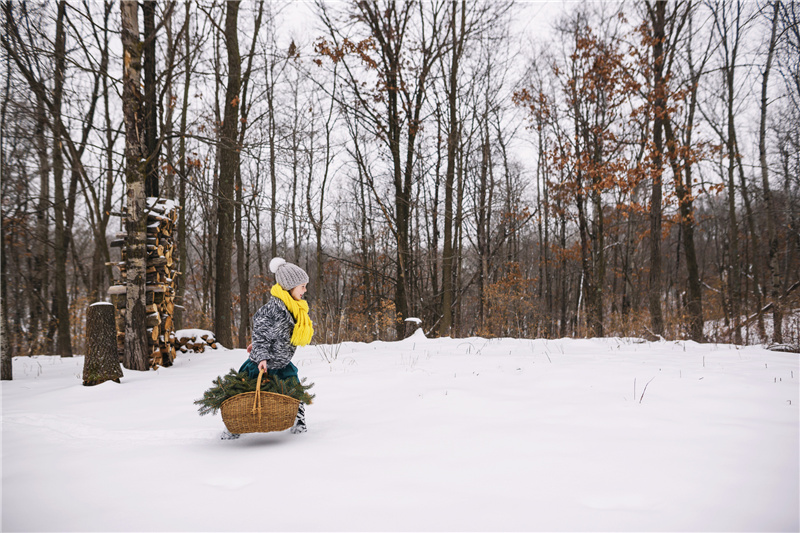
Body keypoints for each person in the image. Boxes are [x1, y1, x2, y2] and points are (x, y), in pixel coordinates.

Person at [221, 257, 314, 439]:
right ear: (290, 287)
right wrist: (260, 353)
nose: (305, 290)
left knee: (294, 388)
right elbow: (261, 332)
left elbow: (274, 335)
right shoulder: (273, 309)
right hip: (261, 363)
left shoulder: (294, 308)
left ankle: (299, 421)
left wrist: (257, 344)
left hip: (281, 363)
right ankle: (233, 427)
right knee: (245, 393)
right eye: (302, 286)